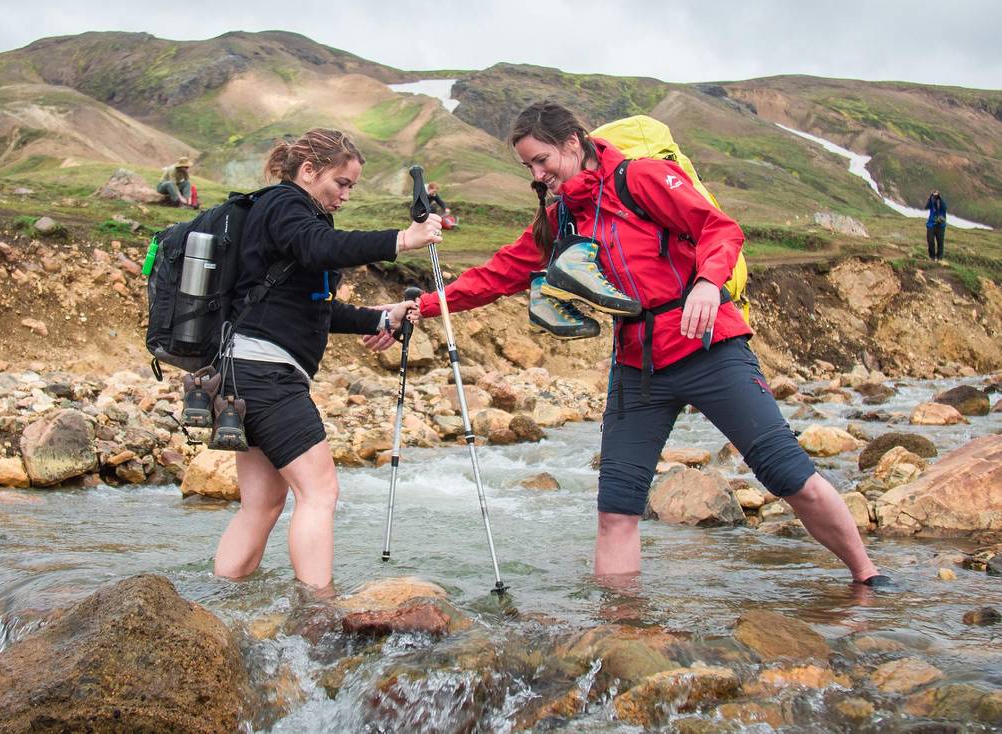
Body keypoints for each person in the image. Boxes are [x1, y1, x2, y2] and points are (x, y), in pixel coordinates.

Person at [398, 101, 888, 587]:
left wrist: (707, 283)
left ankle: (867, 576)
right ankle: (619, 632)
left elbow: (719, 230)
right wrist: (419, 308)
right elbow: (500, 273)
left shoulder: (643, 178)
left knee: (788, 477)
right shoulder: (564, 214)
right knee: (617, 508)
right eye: (528, 166)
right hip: (637, 365)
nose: (537, 173)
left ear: (573, 142)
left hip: (709, 346)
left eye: (542, 160)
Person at [213, 128, 444, 588]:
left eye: (351, 186)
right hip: (268, 375)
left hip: (242, 371)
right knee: (319, 492)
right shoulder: (286, 205)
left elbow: (313, 309)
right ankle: (317, 612)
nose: (346, 194)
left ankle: (221, 599)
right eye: (341, 182)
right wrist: (403, 239)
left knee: (263, 503)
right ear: (308, 171)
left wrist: (381, 320)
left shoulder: (284, 215)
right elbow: (323, 248)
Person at [926, 190, 947, 261]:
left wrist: (939, 198)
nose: (935, 197)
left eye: (936, 195)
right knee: (930, 241)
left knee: (940, 242)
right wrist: (930, 197)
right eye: (934, 195)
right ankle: (932, 257)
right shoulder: (931, 201)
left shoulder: (941, 202)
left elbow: (945, 207)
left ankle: (939, 258)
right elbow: (926, 207)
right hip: (931, 224)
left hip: (940, 225)